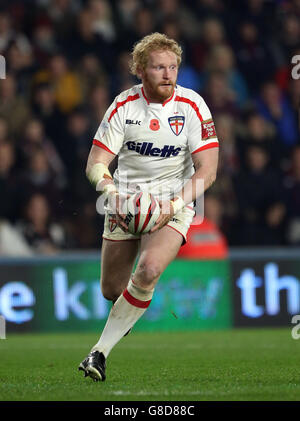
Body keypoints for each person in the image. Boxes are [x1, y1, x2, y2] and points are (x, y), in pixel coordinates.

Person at [78, 32, 219, 382]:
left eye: (173, 67)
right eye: (159, 67)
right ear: (141, 70)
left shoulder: (193, 106)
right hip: (125, 202)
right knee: (113, 290)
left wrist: (174, 204)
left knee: (149, 270)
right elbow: (96, 162)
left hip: (174, 202)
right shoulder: (123, 106)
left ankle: (98, 353)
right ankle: (122, 314)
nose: (168, 74)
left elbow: (209, 170)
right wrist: (112, 194)